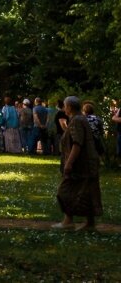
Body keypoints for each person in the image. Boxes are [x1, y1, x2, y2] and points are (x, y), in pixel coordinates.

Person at [55, 96, 102, 231]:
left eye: (65, 105)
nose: (64, 108)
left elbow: (77, 143)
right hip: (88, 163)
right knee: (87, 192)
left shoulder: (76, 121)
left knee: (64, 191)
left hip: (81, 164)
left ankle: (68, 221)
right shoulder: (81, 119)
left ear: (69, 107)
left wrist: (68, 163)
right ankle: (90, 223)